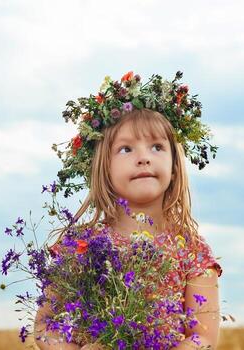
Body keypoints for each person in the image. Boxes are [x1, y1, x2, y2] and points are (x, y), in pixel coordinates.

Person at [34, 71, 223, 349]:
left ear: (173, 166)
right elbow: (44, 328)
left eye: (157, 147)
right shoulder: (80, 246)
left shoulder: (192, 251)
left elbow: (203, 337)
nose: (144, 158)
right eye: (125, 149)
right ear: (103, 167)